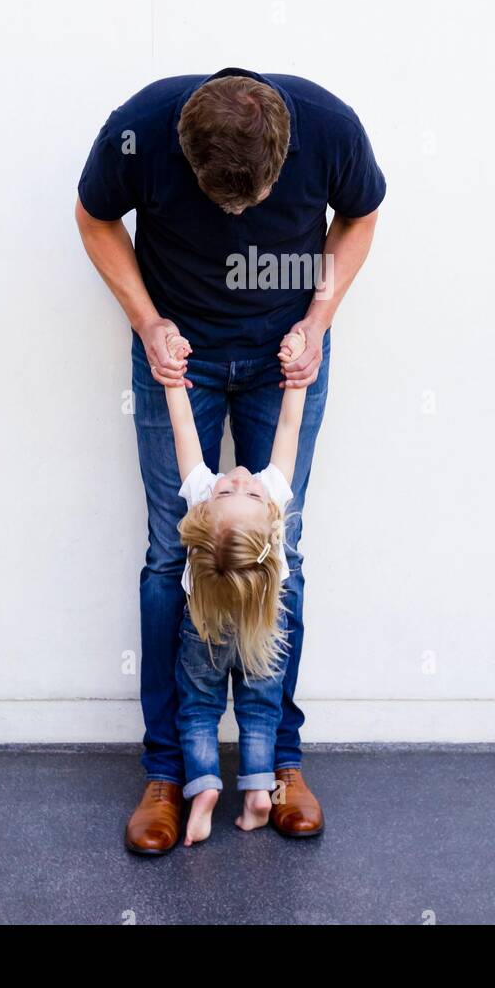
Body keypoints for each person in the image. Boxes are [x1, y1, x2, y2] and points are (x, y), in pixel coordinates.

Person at [76, 68, 385, 853]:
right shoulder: (139, 128)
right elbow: (94, 217)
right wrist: (149, 326)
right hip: (178, 350)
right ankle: (167, 771)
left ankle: (278, 763)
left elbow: (361, 215)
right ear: (184, 151)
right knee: (164, 558)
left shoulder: (330, 126)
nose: (238, 219)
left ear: (285, 151)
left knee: (284, 554)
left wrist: (318, 319)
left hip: (288, 355)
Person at [164, 327, 309, 845]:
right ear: (272, 522)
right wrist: (296, 382)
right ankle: (254, 794)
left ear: (203, 513)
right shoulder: (273, 502)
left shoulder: (201, 501)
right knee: (259, 709)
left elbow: (185, 433)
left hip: (202, 633)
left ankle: (202, 788)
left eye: (234, 487)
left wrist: (174, 381)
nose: (243, 476)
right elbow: (288, 429)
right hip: (262, 631)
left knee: (199, 709)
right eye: (237, 487)